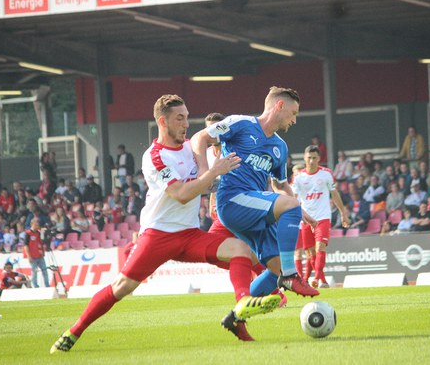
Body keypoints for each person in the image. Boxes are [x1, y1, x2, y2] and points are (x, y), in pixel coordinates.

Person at [51, 94, 281, 353]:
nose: (186, 124)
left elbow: (215, 158)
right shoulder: (155, 156)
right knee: (122, 287)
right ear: (163, 121)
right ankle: (73, 331)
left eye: (187, 118)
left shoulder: (192, 148)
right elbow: (181, 194)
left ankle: (242, 306)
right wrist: (214, 172)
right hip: (158, 235)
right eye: (179, 119)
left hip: (190, 235)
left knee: (241, 250)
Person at [191, 86, 319, 299]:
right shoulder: (241, 123)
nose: (294, 120)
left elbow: (280, 185)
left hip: (255, 209)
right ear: (279, 105)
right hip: (232, 200)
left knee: (274, 270)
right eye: (293, 113)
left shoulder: (280, 147)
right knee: (283, 269)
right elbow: (200, 137)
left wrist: (299, 209)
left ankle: (239, 311)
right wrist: (205, 171)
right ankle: (291, 275)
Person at [292, 145, 349, 288]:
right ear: (304, 158)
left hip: (323, 217)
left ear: (319, 159)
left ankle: (316, 277)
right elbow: (294, 198)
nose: (311, 161)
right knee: (310, 252)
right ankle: (322, 280)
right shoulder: (298, 177)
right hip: (306, 219)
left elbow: (334, 194)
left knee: (320, 247)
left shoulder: (326, 174)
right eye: (309, 158)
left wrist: (343, 213)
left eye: (314, 158)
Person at [24, 218, 50, 288]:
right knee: (34, 272)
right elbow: (26, 245)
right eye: (36, 224)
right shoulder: (28, 233)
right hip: (33, 256)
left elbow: (42, 242)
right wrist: (28, 256)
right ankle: (35, 286)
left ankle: (47, 285)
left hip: (40, 256)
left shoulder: (39, 233)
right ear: (32, 224)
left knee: (45, 271)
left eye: (38, 224)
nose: (37, 225)